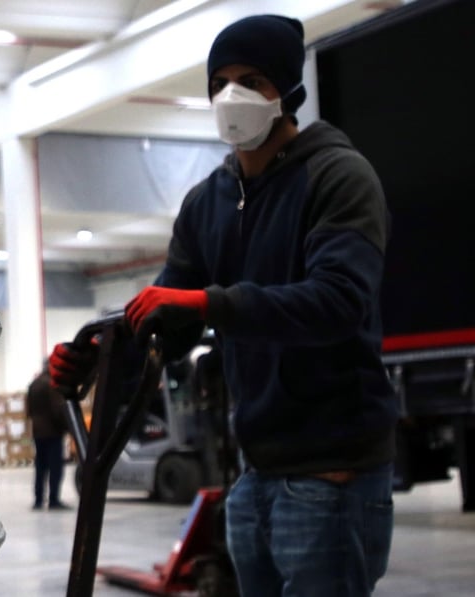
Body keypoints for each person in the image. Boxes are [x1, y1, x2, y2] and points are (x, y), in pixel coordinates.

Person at [50, 13, 398, 597]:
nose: (230, 95)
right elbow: (168, 320)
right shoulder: (207, 201)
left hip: (332, 472)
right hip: (253, 470)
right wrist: (97, 351)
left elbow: (338, 302)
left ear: (288, 91)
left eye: (252, 80)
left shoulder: (339, 176)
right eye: (219, 83)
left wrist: (209, 303)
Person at [26, 362, 71, 510]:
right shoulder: (52, 385)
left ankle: (38, 500)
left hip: (38, 432)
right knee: (55, 467)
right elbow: (57, 410)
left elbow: (29, 410)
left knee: (40, 467)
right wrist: (67, 427)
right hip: (53, 432)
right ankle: (53, 500)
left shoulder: (33, 384)